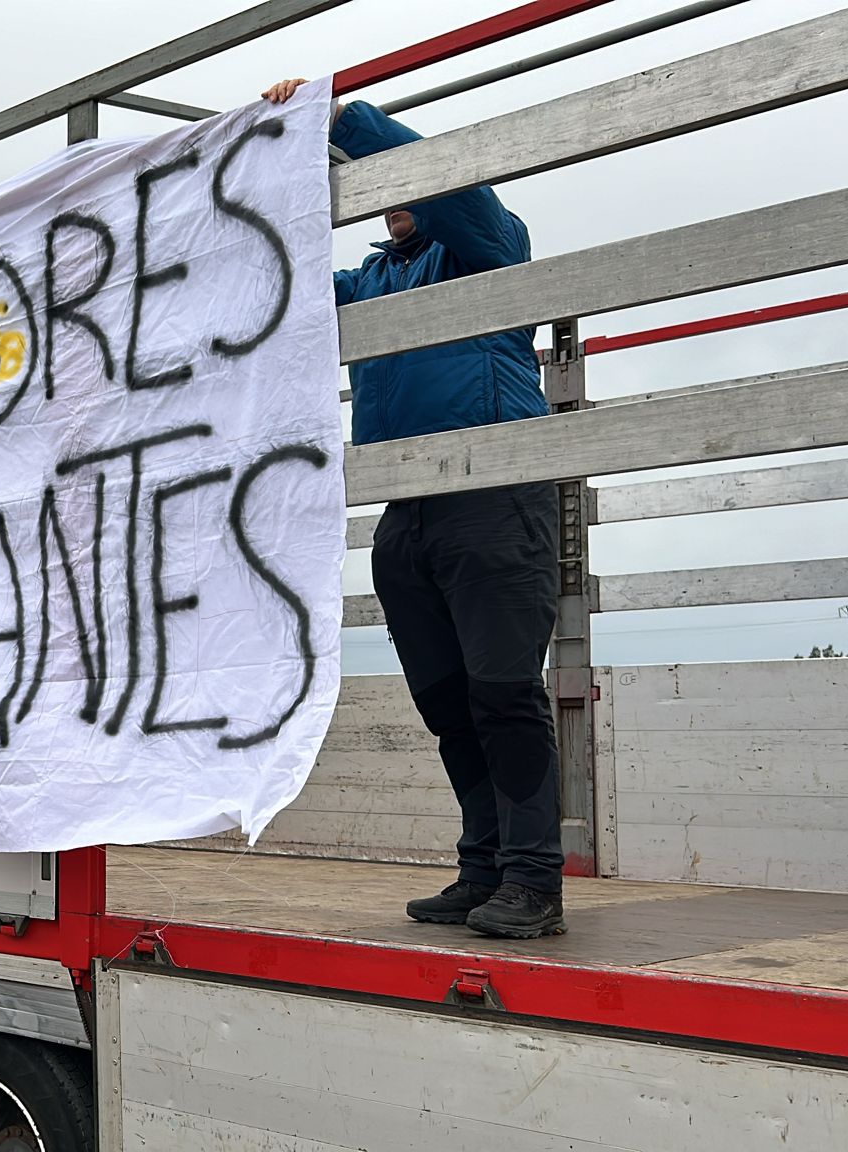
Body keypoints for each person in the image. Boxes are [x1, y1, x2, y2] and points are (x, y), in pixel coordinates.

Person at [263, 79, 563, 939]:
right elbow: (274, 283)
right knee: (447, 700)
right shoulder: (368, 282)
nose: (393, 202)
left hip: (494, 491)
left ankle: (535, 881)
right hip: (410, 506)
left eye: (402, 185)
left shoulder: (486, 245)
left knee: (504, 693)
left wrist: (341, 119)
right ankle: (482, 869)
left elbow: (452, 187)